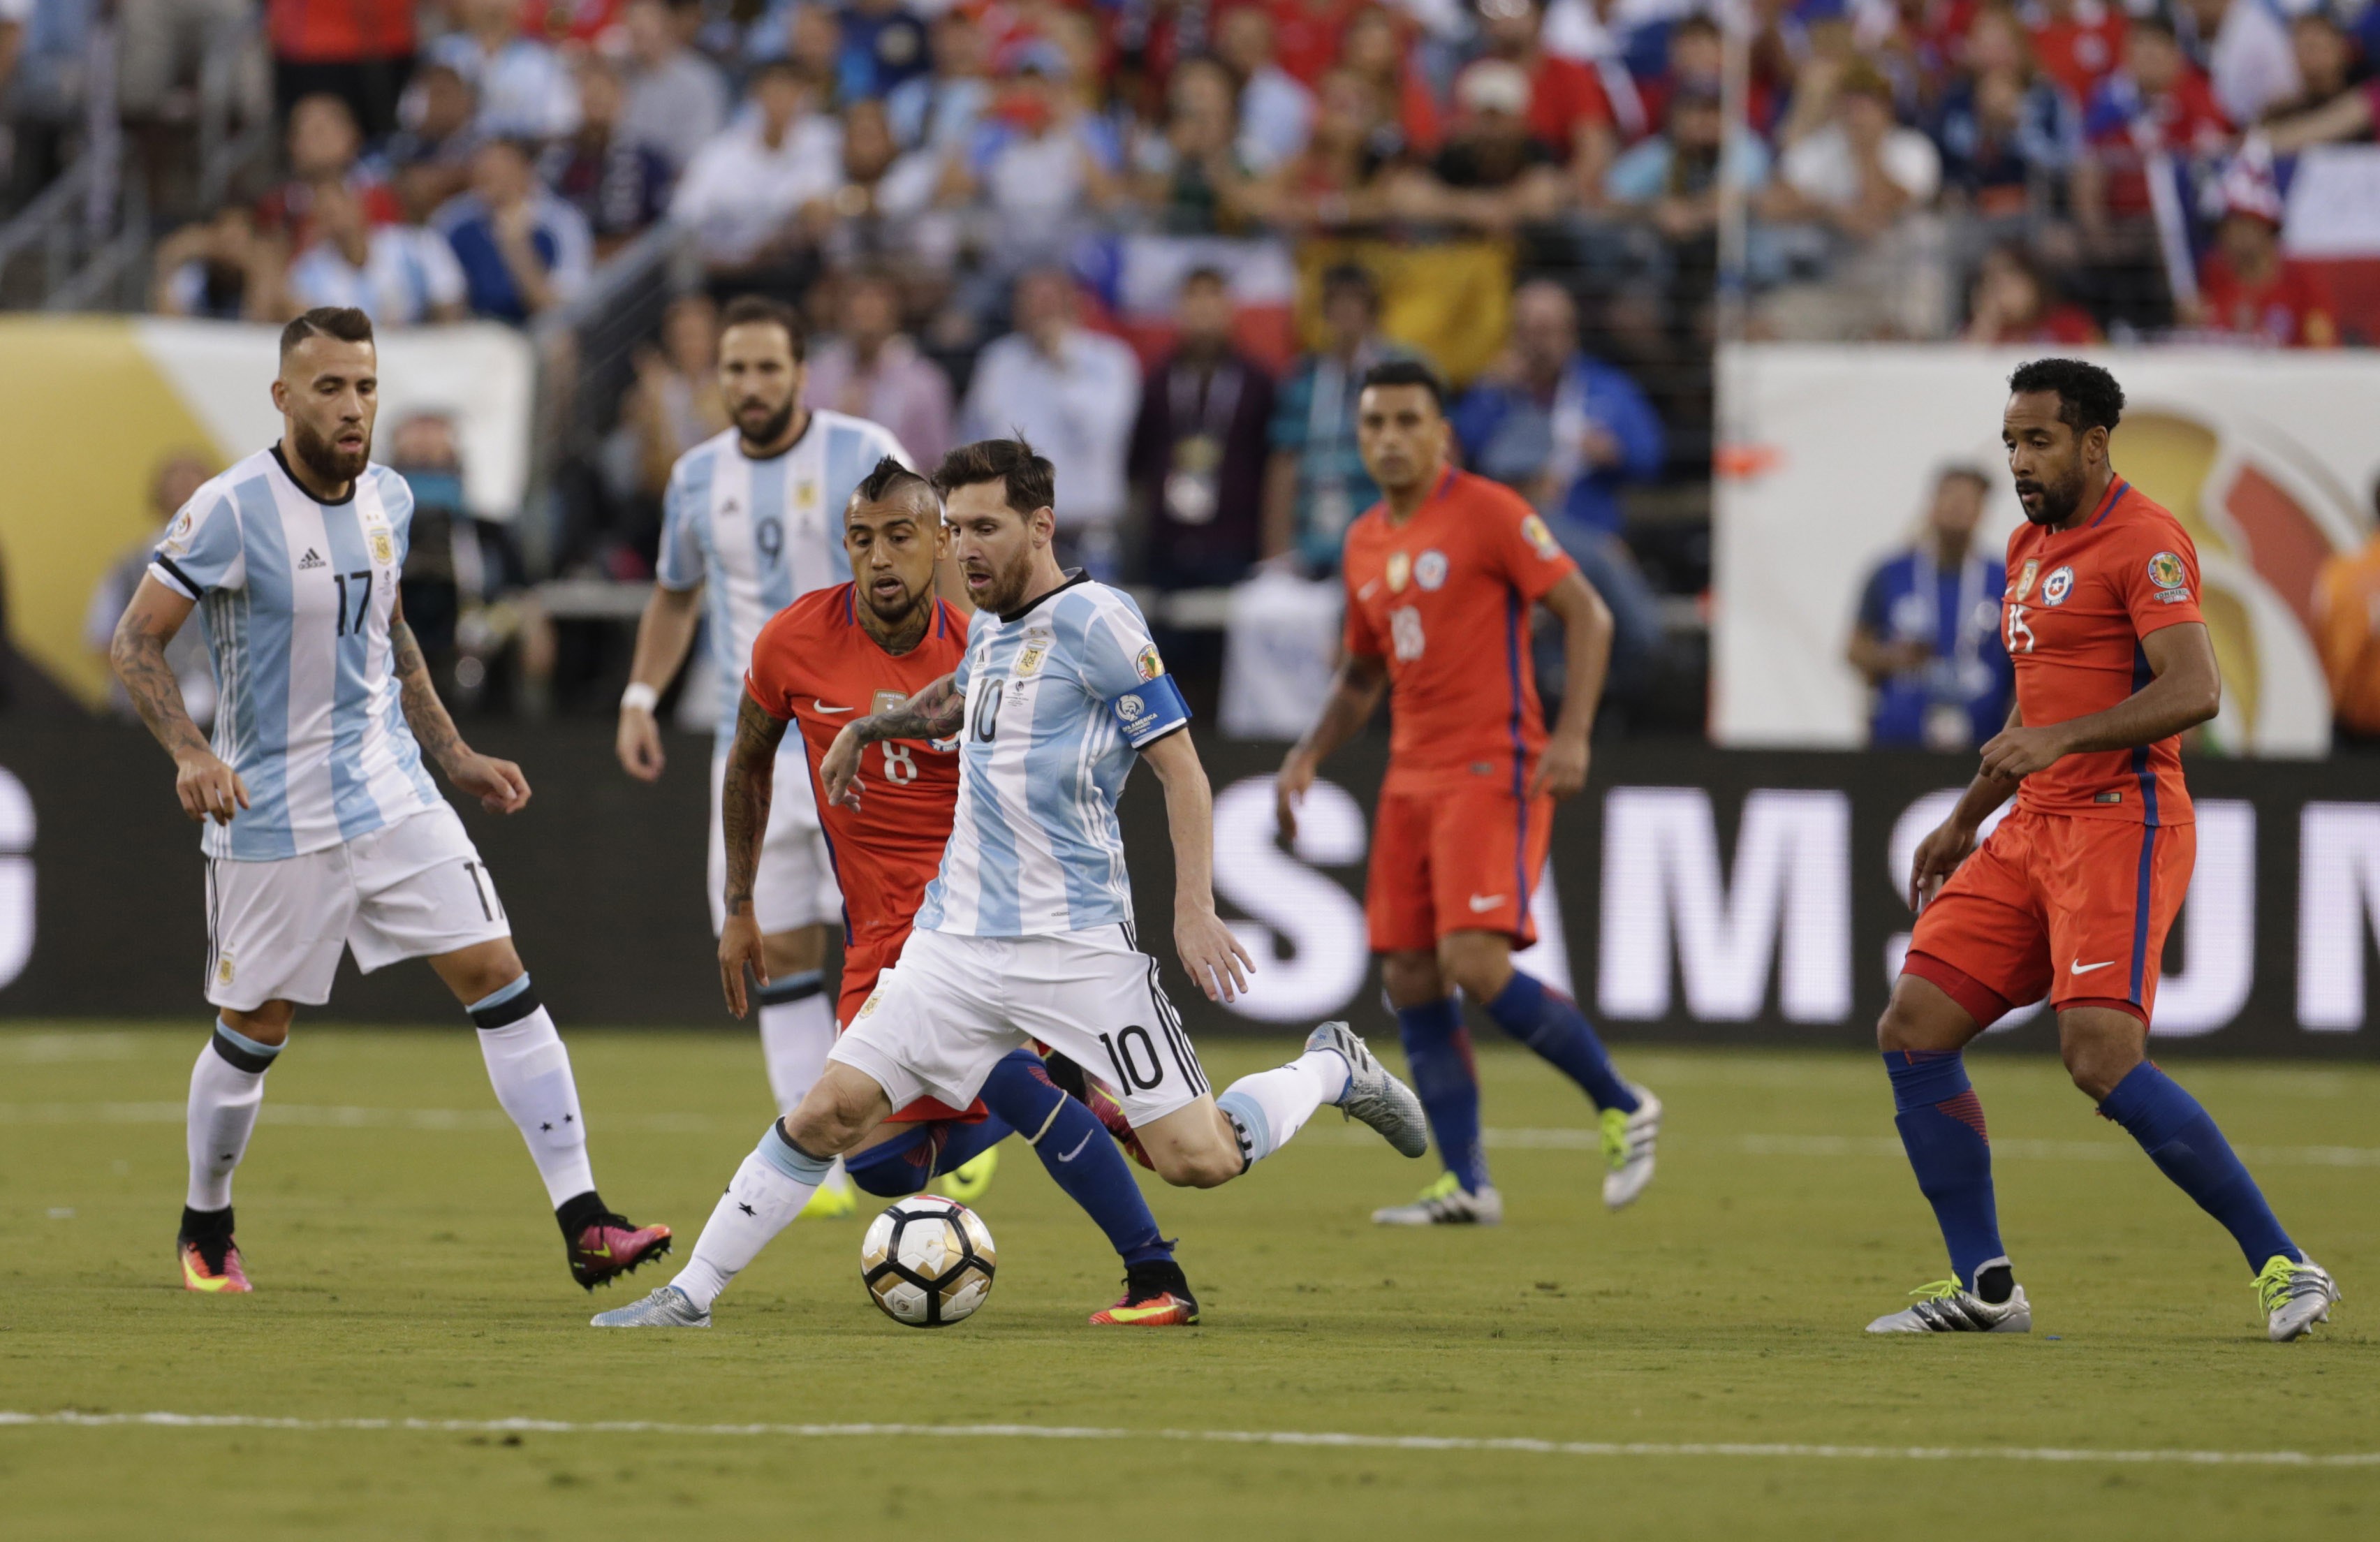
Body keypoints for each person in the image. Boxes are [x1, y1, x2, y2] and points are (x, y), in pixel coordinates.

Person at [589, 435, 1427, 1330]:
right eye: (956, 527)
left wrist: (1193, 907)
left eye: (983, 527)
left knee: (1198, 1157)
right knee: (831, 1112)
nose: (966, 549)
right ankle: (689, 1296)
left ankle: (1330, 1068)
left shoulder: (1101, 622)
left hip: (1076, 946)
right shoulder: (990, 623)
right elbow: (957, 695)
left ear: (1041, 525)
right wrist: (871, 730)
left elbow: (1181, 769)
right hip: (952, 945)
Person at [107, 306, 670, 1296]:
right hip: (271, 814)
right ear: (284, 398)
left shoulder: (392, 500)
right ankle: (207, 1222)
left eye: (365, 385)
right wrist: (190, 752)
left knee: (502, 978)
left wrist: (450, 752)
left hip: (391, 795)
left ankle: (587, 1221)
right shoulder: (230, 509)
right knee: (253, 1033)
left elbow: (391, 630)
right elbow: (134, 642)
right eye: (330, 387)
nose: (353, 405)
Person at [1871, 358, 2339, 1339]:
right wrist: (1966, 817)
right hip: (2031, 823)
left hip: (2121, 820)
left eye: (2038, 440)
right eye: (2010, 442)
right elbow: (2035, 705)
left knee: (2100, 1056)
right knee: (1914, 1026)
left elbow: (2195, 688)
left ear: (2094, 442)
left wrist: (2060, 743)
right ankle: (1986, 1287)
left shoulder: (2148, 541)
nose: (2020, 461)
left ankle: (2287, 1268)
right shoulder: (2026, 546)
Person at [688, 456, 1203, 1324]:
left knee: (1006, 1083)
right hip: (872, 935)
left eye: (902, 536)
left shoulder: (992, 642)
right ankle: (1070, 1085)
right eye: (862, 539)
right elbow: (745, 762)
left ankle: (1152, 1266)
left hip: (966, 932)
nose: (881, 558)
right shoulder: (791, 642)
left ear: (940, 542)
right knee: (879, 1165)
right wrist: (740, 904)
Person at [1275, 360, 1659, 1228]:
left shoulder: (1489, 512)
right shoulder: (1365, 538)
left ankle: (1621, 1101)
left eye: (1409, 420)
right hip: (1409, 775)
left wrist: (1572, 734)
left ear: (1442, 433)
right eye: (1374, 423)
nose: (1390, 438)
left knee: (1473, 962)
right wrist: (1306, 755)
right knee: (1410, 977)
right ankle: (1467, 1183)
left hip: (1493, 763)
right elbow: (1363, 677)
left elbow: (1588, 615)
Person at [615, 293, 911, 1219]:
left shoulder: (863, 449)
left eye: (767, 368)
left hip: (863, 736)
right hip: (753, 742)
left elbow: (929, 572)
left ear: (801, 372)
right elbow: (674, 594)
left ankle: (938, 1122)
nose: (748, 386)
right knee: (774, 942)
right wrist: (639, 695)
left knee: (899, 940)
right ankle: (810, 1140)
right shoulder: (698, 476)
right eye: (733, 370)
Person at [957, 267, 1141, 578]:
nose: (1041, 310)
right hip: (1015, 532)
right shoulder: (998, 362)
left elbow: (1102, 434)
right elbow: (973, 441)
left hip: (1088, 533)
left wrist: (1063, 362)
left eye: (1050, 301)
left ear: (1073, 304)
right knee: (1017, 626)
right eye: (1031, 301)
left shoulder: (1111, 360)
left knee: (1090, 624)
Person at [1129, 266, 1277, 590]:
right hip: (1166, 548)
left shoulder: (1258, 383)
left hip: (1236, 544)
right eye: (1193, 298)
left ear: (1230, 309)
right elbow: (1137, 465)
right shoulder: (1158, 381)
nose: (1203, 309)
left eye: (1213, 297)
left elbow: (1273, 468)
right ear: (1177, 310)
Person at [1260, 263, 1411, 578]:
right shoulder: (1304, 379)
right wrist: (1277, 552)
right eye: (1337, 303)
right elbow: (1284, 467)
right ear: (1325, 312)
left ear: (1372, 311)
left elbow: (1435, 456)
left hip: (1386, 547)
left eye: (1354, 303)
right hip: (1314, 546)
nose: (1346, 313)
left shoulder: (1402, 375)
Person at [1848, 465, 2015, 749]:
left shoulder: (2007, 578)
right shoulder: (1890, 573)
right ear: (1931, 504)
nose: (1957, 508)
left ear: (1983, 511)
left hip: (1984, 748)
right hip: (1897, 745)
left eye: (1968, 500)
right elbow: (1853, 649)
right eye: (1949, 497)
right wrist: (1892, 658)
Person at [87, 452, 219, 727]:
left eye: (193, 484)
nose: (185, 491)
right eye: (176, 483)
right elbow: (102, 638)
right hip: (145, 719)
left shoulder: (235, 562)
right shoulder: (129, 567)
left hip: (224, 713)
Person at [802, 268, 955, 467]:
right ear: (841, 310)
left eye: (876, 302)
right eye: (857, 299)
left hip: (904, 490)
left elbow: (939, 463)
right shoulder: (815, 376)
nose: (866, 311)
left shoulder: (924, 383)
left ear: (895, 312)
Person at [434, 137, 594, 323]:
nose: (488, 171)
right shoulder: (453, 220)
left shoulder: (562, 223)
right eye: (483, 168)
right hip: (474, 330)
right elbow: (443, 299)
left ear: (525, 171)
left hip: (538, 329)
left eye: (500, 167)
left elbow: (562, 310)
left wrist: (516, 248)